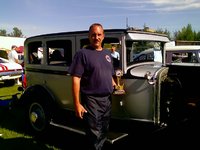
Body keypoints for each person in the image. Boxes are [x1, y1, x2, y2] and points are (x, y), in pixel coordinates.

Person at [68, 23, 116, 150]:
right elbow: (76, 79)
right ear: (89, 36)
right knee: (94, 134)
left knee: (104, 131)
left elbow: (109, 74)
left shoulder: (107, 54)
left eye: (99, 34)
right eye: (93, 35)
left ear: (103, 36)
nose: (96, 37)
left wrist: (113, 83)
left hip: (107, 99)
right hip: (91, 100)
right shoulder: (82, 54)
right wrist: (77, 104)